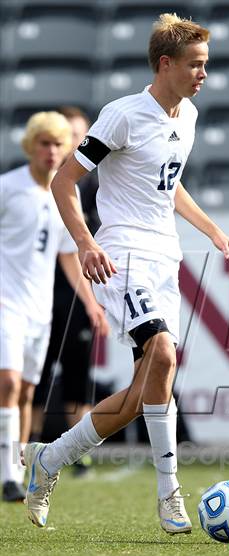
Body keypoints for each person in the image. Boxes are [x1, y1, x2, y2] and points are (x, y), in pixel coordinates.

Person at [22, 13, 229, 534]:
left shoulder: (185, 116)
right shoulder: (122, 116)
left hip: (164, 259)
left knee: (140, 394)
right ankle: (170, 496)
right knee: (165, 351)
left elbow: (169, 188)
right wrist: (85, 243)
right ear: (165, 64)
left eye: (206, 65)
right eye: (195, 65)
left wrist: (214, 232)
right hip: (120, 255)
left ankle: (48, 460)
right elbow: (65, 180)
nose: (203, 74)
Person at [0, 111, 108, 502]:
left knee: (28, 391)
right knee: (9, 384)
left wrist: (92, 304)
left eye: (58, 144)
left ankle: (16, 464)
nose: (51, 151)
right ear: (32, 146)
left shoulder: (67, 193)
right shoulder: (8, 187)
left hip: (39, 310)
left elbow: (67, 255)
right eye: (44, 143)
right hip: (6, 304)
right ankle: (9, 474)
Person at [31, 107, 104, 478]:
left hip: (76, 292)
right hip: (41, 292)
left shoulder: (93, 185)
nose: (76, 141)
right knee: (36, 374)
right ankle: (28, 447)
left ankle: (80, 453)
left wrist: (92, 301)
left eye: (80, 135)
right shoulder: (42, 185)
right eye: (68, 134)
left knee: (79, 374)